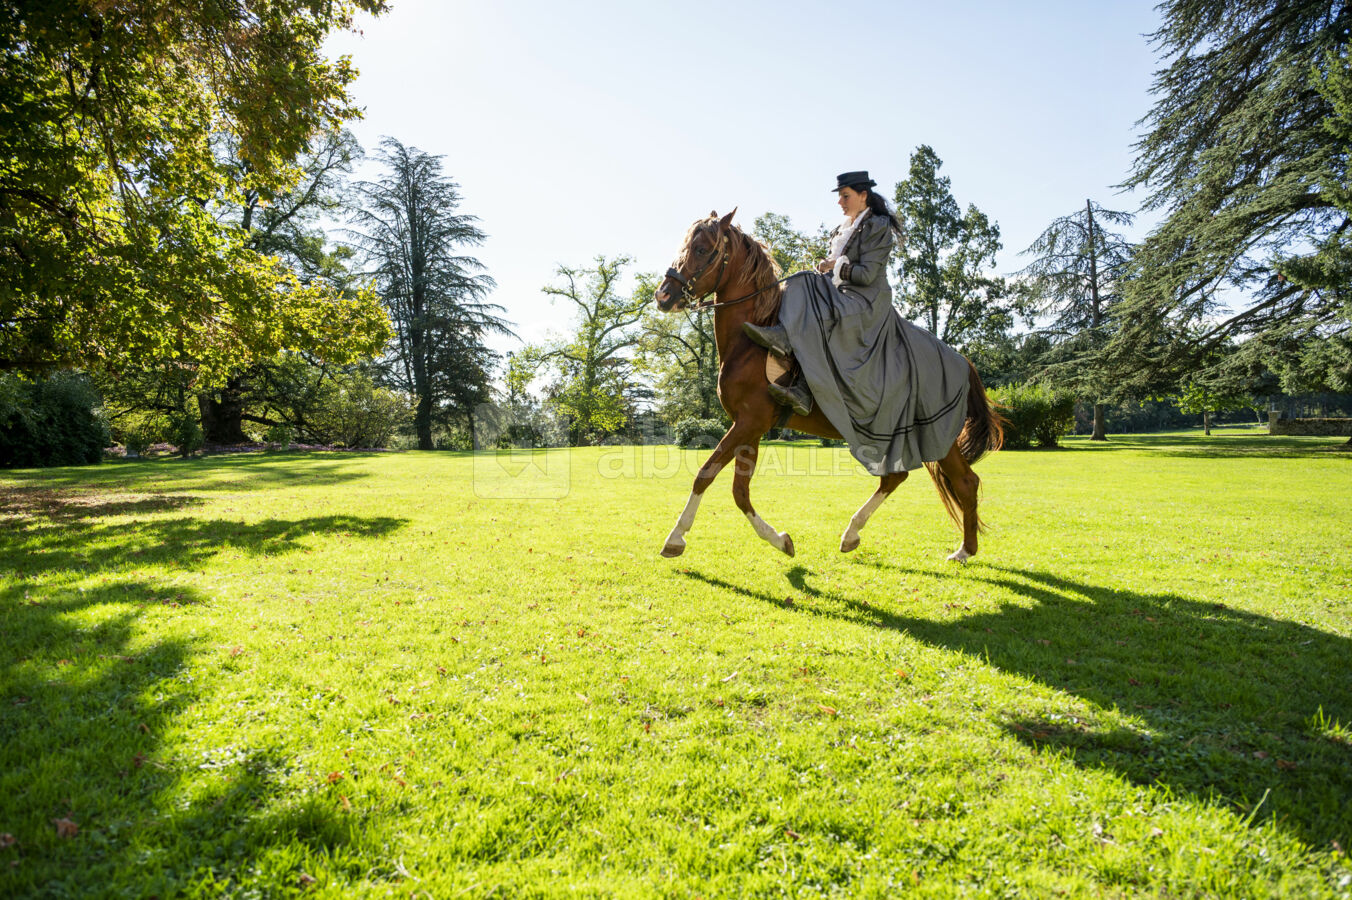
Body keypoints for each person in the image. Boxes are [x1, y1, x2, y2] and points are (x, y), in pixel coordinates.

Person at [743, 171, 904, 414]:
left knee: (813, 301)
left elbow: (867, 275)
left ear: (863, 195)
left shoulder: (877, 227)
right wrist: (826, 267)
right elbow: (836, 268)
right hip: (841, 292)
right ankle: (784, 340)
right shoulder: (844, 228)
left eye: (845, 196)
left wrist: (835, 266)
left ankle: (802, 385)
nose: (840, 202)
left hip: (866, 300)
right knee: (799, 281)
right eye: (840, 197)